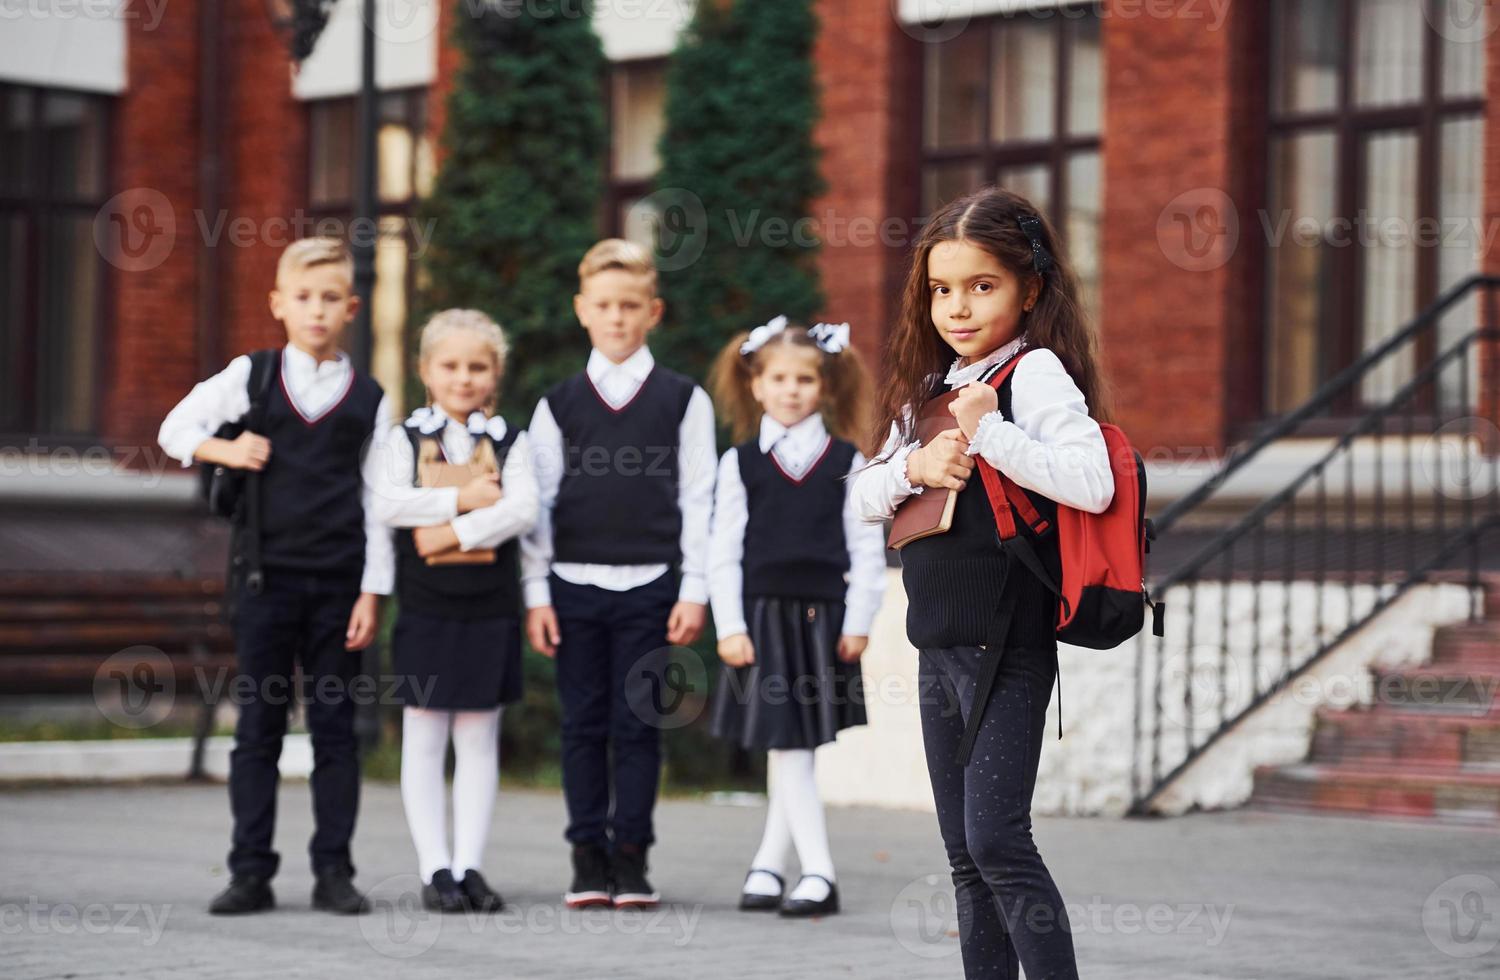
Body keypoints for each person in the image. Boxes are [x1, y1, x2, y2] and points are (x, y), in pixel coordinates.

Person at [849, 188, 1114, 978]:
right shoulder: (928, 389)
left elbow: (1091, 479)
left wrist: (987, 430)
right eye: (941, 289)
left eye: (981, 286)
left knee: (999, 840)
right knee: (966, 855)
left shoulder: (1034, 375)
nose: (957, 307)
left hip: (1009, 647)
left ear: (1029, 289)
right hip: (938, 651)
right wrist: (914, 465)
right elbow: (856, 497)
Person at [158, 237, 393, 916]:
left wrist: (373, 592)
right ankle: (250, 871)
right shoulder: (253, 377)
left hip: (340, 589)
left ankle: (333, 873)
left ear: (349, 307)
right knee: (258, 727)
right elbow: (176, 428)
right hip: (264, 584)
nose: (316, 310)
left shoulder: (370, 398)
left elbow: (381, 505)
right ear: (278, 304)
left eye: (329, 299)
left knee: (335, 733)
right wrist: (226, 446)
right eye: (303, 298)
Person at [521, 239, 715, 908]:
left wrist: (695, 588)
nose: (616, 318)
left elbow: (700, 496)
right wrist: (535, 593)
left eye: (630, 306)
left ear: (652, 312)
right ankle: (586, 856)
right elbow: (537, 504)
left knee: (638, 726)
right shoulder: (559, 404)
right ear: (582, 311)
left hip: (653, 588)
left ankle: (630, 858)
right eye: (603, 306)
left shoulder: (682, 400)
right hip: (572, 587)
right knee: (582, 726)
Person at [705, 317, 886, 918]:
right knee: (789, 746)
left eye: (804, 379)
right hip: (761, 618)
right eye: (779, 378)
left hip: (821, 619)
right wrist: (729, 625)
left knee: (793, 748)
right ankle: (781, 865)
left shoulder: (846, 460)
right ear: (756, 385)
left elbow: (865, 549)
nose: (791, 390)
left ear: (824, 386)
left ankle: (812, 874)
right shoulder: (740, 464)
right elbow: (722, 551)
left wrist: (859, 619)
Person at [368, 309, 538, 914]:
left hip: (488, 607)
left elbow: (524, 511)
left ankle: (470, 865)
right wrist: (464, 499)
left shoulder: (511, 440)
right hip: (426, 606)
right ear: (425, 371)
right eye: (450, 366)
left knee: (478, 735)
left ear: (494, 375)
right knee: (424, 732)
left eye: (477, 367)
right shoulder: (402, 438)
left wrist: (444, 532)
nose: (463, 378)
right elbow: (389, 505)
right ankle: (433, 866)